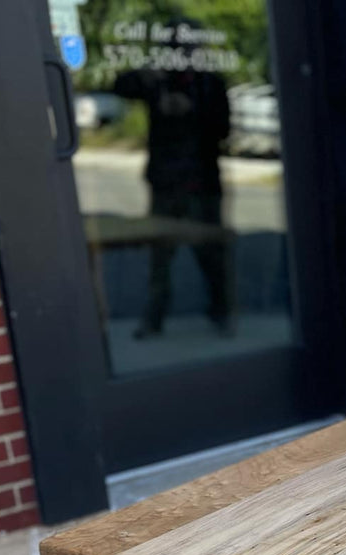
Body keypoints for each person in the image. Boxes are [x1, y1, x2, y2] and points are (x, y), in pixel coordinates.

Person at [113, 27, 233, 338]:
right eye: (177, 50)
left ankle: (221, 313)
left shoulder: (210, 84)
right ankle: (154, 321)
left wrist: (192, 111)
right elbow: (120, 86)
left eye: (189, 49)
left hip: (202, 184)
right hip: (166, 183)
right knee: (160, 257)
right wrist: (148, 72)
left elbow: (223, 129)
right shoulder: (157, 81)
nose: (185, 57)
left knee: (211, 255)